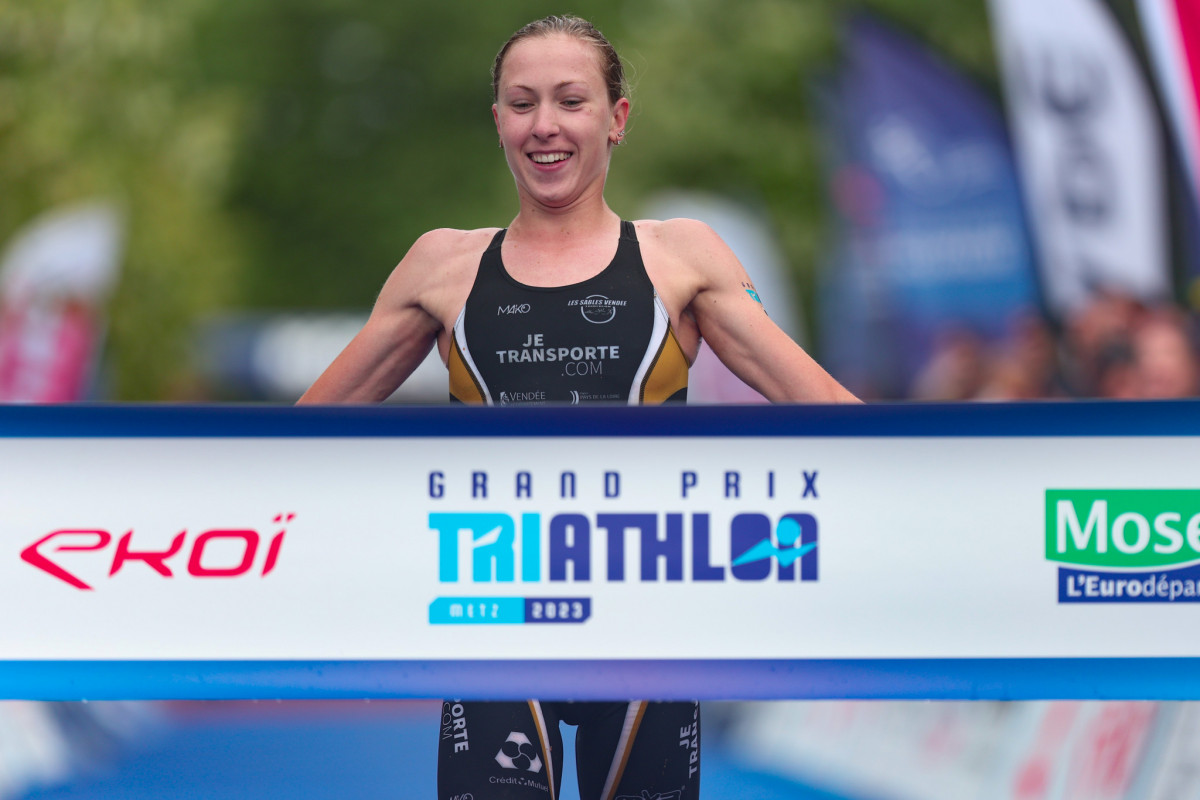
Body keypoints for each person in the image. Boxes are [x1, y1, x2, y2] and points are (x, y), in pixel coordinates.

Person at [299, 14, 859, 799]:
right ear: (498, 120)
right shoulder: (441, 268)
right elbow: (296, 438)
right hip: (495, 619)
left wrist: (966, 489)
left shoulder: (681, 260)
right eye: (522, 103)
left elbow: (826, 407)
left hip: (648, 628)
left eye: (570, 101)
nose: (545, 126)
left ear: (616, 118)